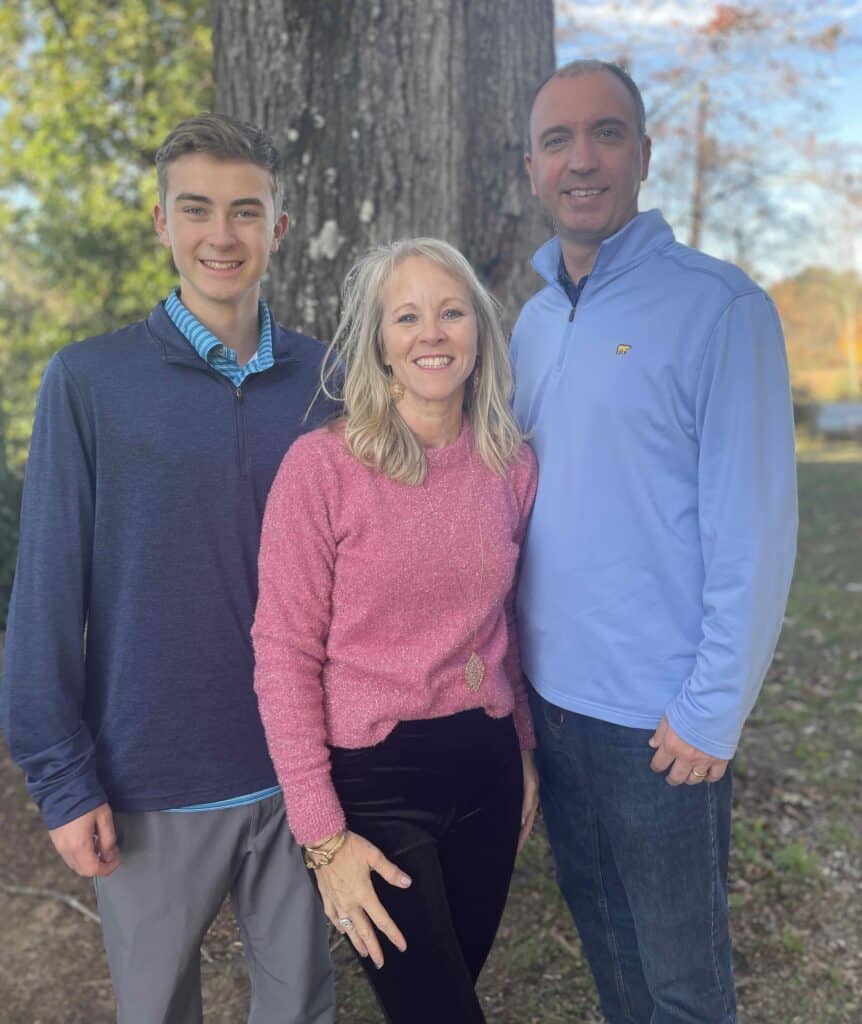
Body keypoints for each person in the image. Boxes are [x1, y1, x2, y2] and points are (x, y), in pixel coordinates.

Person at [0, 114, 334, 1023]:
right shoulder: (89, 381)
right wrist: (61, 777)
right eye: (196, 210)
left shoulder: (330, 380)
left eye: (244, 211)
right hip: (150, 778)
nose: (220, 236)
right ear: (161, 222)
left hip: (303, 769)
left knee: (300, 1009)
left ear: (279, 227)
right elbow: (45, 593)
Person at [511, 60, 798, 1024]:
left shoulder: (720, 308)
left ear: (643, 153)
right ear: (531, 167)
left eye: (606, 134)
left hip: (659, 726)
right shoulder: (532, 321)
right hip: (553, 708)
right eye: (558, 141)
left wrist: (712, 710)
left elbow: (755, 524)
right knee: (607, 946)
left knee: (682, 983)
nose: (581, 159)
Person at [251, 237, 539, 1024]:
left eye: (450, 313)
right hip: (376, 787)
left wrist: (521, 749)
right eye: (406, 316)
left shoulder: (510, 464)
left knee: (447, 997)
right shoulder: (324, 470)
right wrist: (324, 838)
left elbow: (504, 623)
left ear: (479, 334)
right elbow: (282, 655)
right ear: (378, 342)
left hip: (485, 773)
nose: (431, 334)